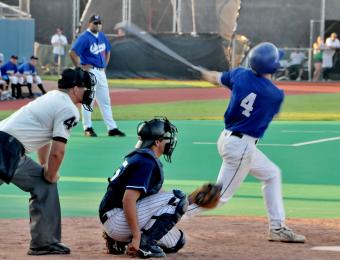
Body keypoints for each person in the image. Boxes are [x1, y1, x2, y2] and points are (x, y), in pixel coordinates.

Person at [186, 42, 306, 243]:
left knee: (272, 174)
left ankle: (277, 227)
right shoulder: (274, 95)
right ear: (273, 67)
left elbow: (216, 78)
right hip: (241, 147)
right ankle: (167, 216)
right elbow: (265, 111)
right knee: (218, 197)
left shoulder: (240, 74)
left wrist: (205, 74)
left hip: (229, 139)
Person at [0, 67, 96, 255]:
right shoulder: (69, 108)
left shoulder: (53, 97)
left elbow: (46, 139)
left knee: (43, 184)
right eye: (86, 87)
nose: (88, 91)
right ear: (75, 88)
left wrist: (44, 168)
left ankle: (44, 242)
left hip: (7, 146)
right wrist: (51, 174)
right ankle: (43, 242)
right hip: (7, 150)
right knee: (47, 182)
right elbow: (57, 152)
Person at [99, 117, 187, 258]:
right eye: (166, 138)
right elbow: (128, 200)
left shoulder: (141, 157)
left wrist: (193, 200)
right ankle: (144, 244)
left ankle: (117, 242)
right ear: (157, 141)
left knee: (177, 241)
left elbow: (156, 196)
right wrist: (136, 236)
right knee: (178, 198)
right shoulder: (146, 162)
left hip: (113, 218)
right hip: (117, 219)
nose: (169, 142)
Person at [69, 14, 125, 137]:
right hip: (90, 72)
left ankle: (112, 128)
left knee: (105, 101)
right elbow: (72, 52)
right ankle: (87, 127)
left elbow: (108, 51)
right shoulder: (84, 37)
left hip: (100, 72)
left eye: (99, 22)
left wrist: (104, 66)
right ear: (89, 24)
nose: (98, 25)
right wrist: (79, 66)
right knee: (88, 100)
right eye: (95, 22)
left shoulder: (102, 36)